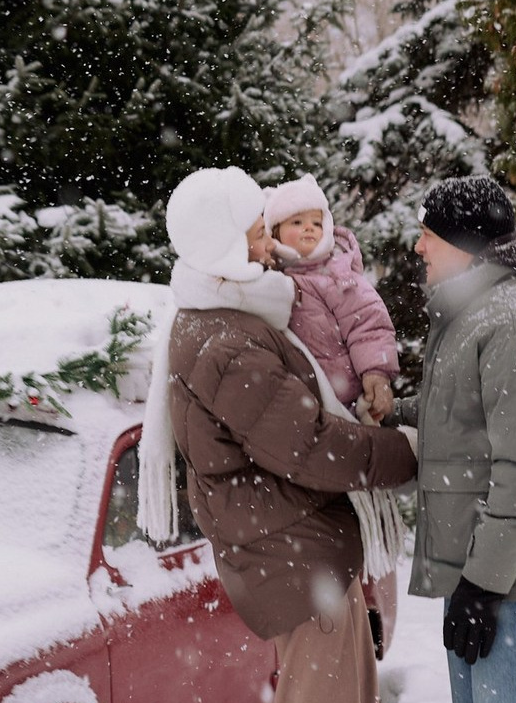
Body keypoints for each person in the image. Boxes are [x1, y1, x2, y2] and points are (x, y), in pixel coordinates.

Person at [137, 166, 417, 703]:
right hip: (294, 560)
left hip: (304, 550)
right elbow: (312, 446)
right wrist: (406, 452)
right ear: (225, 247)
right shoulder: (227, 343)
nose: (271, 245)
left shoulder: (233, 313)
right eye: (257, 235)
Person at [392, 175, 516, 703]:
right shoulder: (478, 315)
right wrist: (392, 414)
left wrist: (484, 584)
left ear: (464, 242)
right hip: (485, 576)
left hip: (510, 586)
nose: (419, 247)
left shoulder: (514, 324)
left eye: (428, 235)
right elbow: (463, 415)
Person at [265, 173, 400, 421]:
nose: (309, 228)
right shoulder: (270, 278)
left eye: (317, 223)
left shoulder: (337, 274)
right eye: (297, 222)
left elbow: (368, 324)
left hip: (346, 398)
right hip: (300, 401)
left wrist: (376, 372)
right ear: (275, 232)